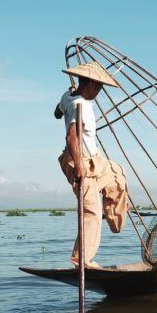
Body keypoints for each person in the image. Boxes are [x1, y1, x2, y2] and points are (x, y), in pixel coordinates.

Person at [55, 60, 122, 268]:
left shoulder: (68, 97)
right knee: (91, 210)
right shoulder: (80, 105)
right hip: (79, 160)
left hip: (94, 160)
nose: (99, 92)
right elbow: (71, 137)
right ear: (91, 84)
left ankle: (114, 221)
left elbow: (57, 113)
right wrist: (80, 167)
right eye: (99, 87)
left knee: (117, 175)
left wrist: (69, 96)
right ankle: (82, 260)